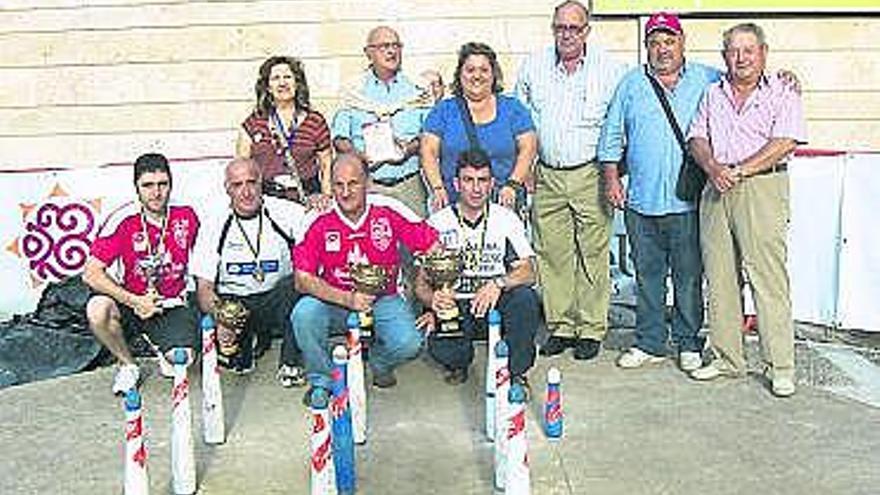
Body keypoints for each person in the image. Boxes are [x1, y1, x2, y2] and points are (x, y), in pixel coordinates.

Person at [686, 23, 806, 397]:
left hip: (761, 186)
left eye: (748, 50)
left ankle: (780, 366)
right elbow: (697, 137)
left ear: (763, 53)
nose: (740, 58)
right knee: (720, 278)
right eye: (733, 51)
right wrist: (712, 168)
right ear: (725, 57)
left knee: (767, 278)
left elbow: (785, 141)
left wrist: (739, 170)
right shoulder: (712, 93)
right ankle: (727, 358)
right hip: (716, 187)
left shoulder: (783, 91)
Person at [597, 12, 716, 372]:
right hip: (641, 201)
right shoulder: (631, 83)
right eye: (655, 42)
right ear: (646, 46)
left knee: (688, 275)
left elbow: (748, 82)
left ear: (683, 44)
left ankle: (688, 341)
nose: (662, 49)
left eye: (669, 41)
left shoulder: (709, 78)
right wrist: (612, 178)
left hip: (687, 201)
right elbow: (612, 135)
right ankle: (649, 341)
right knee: (647, 276)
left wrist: (783, 80)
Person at [515, 0, 626, 361]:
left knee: (592, 254)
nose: (567, 34)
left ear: (587, 31)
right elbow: (522, 121)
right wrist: (527, 168)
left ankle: (591, 329)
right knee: (552, 253)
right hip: (546, 173)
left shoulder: (611, 69)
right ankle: (561, 326)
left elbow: (623, 121)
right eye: (560, 27)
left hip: (589, 173)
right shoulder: (533, 67)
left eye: (574, 28)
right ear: (553, 29)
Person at [291, 154, 439, 396]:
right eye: (339, 185)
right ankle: (322, 380)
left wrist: (428, 292)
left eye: (353, 183)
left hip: (384, 299)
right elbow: (302, 279)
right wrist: (348, 299)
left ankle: (379, 362)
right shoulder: (316, 218)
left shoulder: (388, 208)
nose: (346, 192)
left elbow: (434, 247)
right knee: (304, 313)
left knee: (410, 344)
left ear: (367, 182)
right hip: (334, 300)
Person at [415, 149, 539, 386]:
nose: (476, 188)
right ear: (456, 183)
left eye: (482, 180)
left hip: (494, 301)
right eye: (468, 180)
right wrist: (433, 301)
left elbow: (528, 271)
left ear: (492, 183)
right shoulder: (437, 223)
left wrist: (498, 283)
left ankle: (516, 372)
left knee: (526, 298)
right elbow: (421, 282)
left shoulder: (506, 219)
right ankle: (457, 363)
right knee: (445, 348)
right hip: (456, 303)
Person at [83, 153, 200, 394]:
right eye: (148, 185)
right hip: (130, 300)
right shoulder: (123, 219)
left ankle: (160, 342)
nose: (156, 193)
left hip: (170, 303)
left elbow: (204, 261)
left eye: (162, 184)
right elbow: (91, 274)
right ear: (136, 187)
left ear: (171, 184)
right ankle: (127, 365)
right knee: (97, 310)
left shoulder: (186, 215)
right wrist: (135, 301)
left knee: (183, 361)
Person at [191, 158, 312, 385]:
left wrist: (320, 202)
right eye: (237, 185)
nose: (246, 192)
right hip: (236, 303)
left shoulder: (287, 213)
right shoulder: (213, 224)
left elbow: (315, 250)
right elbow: (204, 288)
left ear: (260, 184)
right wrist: (221, 317)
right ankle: (248, 340)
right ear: (227, 189)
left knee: (297, 284)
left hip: (276, 298)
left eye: (251, 183)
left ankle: (290, 362)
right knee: (239, 365)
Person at [332, 26, 434, 217]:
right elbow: (339, 138)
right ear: (369, 53)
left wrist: (409, 148)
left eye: (396, 46)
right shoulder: (353, 91)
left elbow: (430, 134)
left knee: (417, 244)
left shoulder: (418, 89)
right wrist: (359, 157)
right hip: (369, 185)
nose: (392, 51)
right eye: (384, 46)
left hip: (410, 185)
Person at [421, 41, 537, 210]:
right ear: (460, 74)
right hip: (455, 204)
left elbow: (529, 148)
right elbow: (428, 151)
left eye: (484, 70)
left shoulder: (513, 109)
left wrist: (513, 184)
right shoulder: (443, 111)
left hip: (503, 202)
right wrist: (437, 188)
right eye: (470, 70)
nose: (477, 76)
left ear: (493, 74)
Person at [236, 55, 333, 208]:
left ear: (297, 83)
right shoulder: (252, 124)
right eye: (275, 78)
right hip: (267, 200)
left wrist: (326, 196)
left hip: (308, 200)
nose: (282, 83)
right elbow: (242, 169)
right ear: (268, 87)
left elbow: (326, 164)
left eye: (288, 77)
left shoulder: (315, 121)